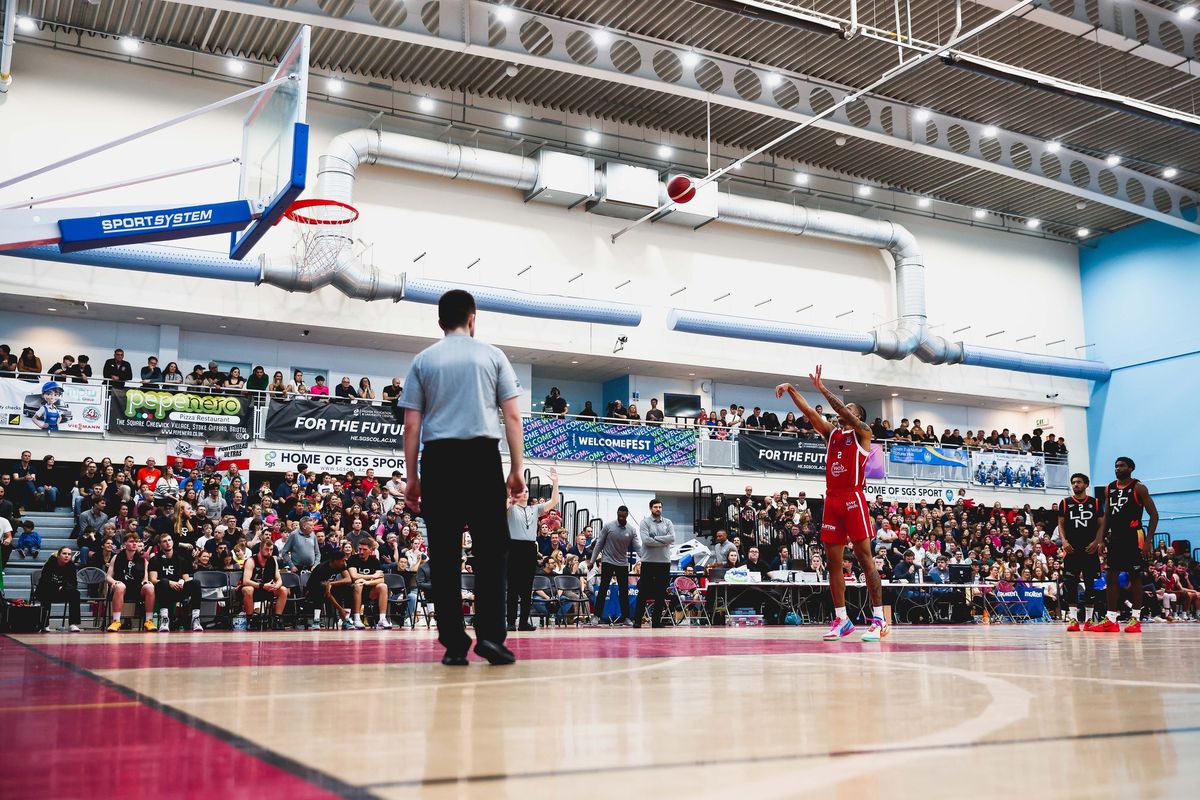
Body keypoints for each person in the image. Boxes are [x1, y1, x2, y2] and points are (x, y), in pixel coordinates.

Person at [401, 290, 524, 667]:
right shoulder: (493, 356)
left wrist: (412, 477)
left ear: (440, 323)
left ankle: (454, 643)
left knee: (444, 553)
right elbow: (513, 418)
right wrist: (516, 470)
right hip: (482, 457)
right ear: (473, 319)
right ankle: (491, 637)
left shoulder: (423, 361)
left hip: (440, 460)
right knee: (491, 552)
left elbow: (411, 425)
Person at [777, 366, 887, 642]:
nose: (841, 413)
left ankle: (879, 619)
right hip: (833, 499)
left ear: (857, 416)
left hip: (854, 498)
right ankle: (842, 618)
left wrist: (823, 389)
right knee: (833, 561)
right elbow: (811, 414)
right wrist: (791, 388)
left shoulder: (863, 433)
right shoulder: (832, 435)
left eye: (848, 410)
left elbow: (844, 412)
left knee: (864, 558)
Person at [1088, 457, 1159, 633]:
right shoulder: (1109, 488)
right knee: (1111, 576)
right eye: (1116, 466)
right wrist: (1101, 539)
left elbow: (1154, 515)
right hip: (1116, 537)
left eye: (1121, 466)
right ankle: (1111, 620)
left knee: (1135, 577)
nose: (1118, 469)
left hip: (1134, 536)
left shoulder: (1139, 487)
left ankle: (1135, 619)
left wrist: (1148, 541)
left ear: (1131, 468)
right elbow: (1107, 516)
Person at [507, 467, 559, 631]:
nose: (526, 493)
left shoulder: (534, 509)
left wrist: (555, 482)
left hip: (530, 548)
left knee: (526, 588)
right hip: (514, 547)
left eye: (527, 490)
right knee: (513, 588)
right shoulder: (511, 508)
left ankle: (523, 623)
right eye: (522, 490)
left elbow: (553, 502)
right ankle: (510, 622)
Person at [1059, 473, 1104, 632]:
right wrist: (1064, 541)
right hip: (1072, 549)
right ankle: (1073, 620)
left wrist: (1097, 542)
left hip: (1089, 549)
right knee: (1071, 584)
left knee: (1090, 584)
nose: (1075, 485)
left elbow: (1101, 525)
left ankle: (1089, 620)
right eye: (1073, 482)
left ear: (1086, 484)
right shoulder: (1065, 503)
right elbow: (1061, 525)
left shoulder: (1095, 503)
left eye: (1079, 482)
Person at [590, 506, 637, 626]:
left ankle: (626, 617)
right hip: (608, 561)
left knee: (624, 590)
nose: (621, 518)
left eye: (623, 516)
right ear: (617, 514)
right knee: (603, 588)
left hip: (622, 563)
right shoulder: (608, 526)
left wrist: (646, 559)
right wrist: (592, 560)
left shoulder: (631, 530)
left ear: (627, 515)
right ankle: (596, 616)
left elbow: (638, 547)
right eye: (619, 516)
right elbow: (599, 544)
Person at [148, 533, 203, 632]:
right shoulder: (155, 559)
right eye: (164, 541)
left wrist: (182, 582)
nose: (168, 543)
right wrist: (170, 582)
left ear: (173, 542)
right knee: (164, 582)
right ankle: (164, 619)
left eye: (169, 540)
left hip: (178, 589)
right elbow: (153, 580)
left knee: (195, 582)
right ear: (160, 545)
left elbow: (185, 578)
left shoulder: (181, 558)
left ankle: (195, 618)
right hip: (163, 590)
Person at [634, 498, 675, 628]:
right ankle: (637, 621)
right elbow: (646, 541)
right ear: (651, 508)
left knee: (661, 592)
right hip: (648, 561)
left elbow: (672, 538)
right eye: (655, 507)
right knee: (643, 592)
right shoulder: (645, 522)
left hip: (664, 562)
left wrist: (656, 538)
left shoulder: (668, 522)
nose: (658, 509)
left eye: (660, 507)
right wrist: (664, 541)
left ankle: (656, 621)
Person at [105, 533, 157, 632]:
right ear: (125, 544)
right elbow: (108, 576)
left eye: (137, 542)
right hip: (121, 589)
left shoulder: (143, 560)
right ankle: (116, 621)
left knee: (150, 587)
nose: (135, 544)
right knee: (120, 586)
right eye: (131, 541)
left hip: (137, 588)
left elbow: (145, 578)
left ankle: (149, 621)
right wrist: (114, 582)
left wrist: (146, 582)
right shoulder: (116, 557)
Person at [241, 535, 289, 629]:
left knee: (283, 590)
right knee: (248, 589)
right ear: (260, 548)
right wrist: (262, 585)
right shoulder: (251, 561)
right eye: (267, 549)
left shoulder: (272, 560)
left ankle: (277, 619)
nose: (269, 552)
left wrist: (277, 586)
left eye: (271, 549)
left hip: (266, 588)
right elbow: (245, 581)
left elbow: (279, 579)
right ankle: (250, 620)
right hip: (253, 588)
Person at [347, 537, 391, 630]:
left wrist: (366, 582)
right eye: (360, 549)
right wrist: (373, 576)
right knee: (358, 585)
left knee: (383, 586)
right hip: (354, 591)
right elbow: (354, 576)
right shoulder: (353, 558)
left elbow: (381, 580)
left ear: (371, 550)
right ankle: (357, 618)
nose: (361, 552)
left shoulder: (374, 560)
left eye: (364, 549)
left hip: (370, 591)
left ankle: (382, 619)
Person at [303, 550, 353, 629]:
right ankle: (316, 620)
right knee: (319, 591)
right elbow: (328, 594)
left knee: (349, 588)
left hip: (328, 587)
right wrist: (340, 609)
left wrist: (331, 584)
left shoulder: (341, 565)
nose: (344, 562)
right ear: (335, 561)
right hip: (312, 590)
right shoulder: (321, 568)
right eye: (342, 560)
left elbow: (348, 579)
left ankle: (346, 619)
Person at [37, 547, 81, 632]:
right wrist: (58, 586)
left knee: (75, 593)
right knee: (46, 593)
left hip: (62, 591)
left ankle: (73, 624)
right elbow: (45, 581)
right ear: (58, 555)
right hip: (46, 590)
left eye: (69, 554)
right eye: (64, 553)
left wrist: (63, 587)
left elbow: (73, 583)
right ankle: (45, 624)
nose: (67, 556)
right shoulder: (50, 564)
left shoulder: (71, 566)